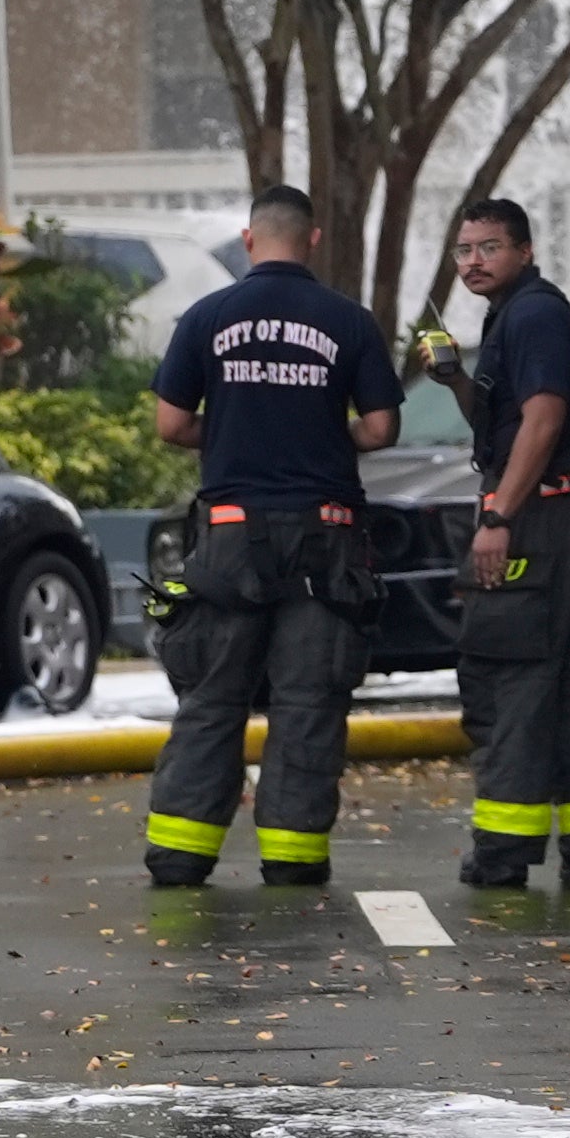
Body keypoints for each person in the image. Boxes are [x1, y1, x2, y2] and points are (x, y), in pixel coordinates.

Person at [138, 184, 404, 891]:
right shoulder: (347, 321)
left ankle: (180, 853)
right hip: (324, 539)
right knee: (308, 702)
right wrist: (323, 434)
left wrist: (227, 435)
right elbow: (380, 429)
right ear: (311, 240)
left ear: (250, 239)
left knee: (213, 698)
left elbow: (170, 424)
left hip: (229, 539)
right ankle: (292, 858)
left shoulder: (207, 317)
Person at [446, 196, 570, 895]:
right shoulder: (518, 315)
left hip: (542, 523)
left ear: (523, 249)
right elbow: (507, 419)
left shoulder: (533, 313)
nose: (473, 262)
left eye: (488, 247)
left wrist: (498, 516)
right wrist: (455, 379)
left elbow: (543, 423)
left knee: (511, 678)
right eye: (464, 250)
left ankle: (503, 853)